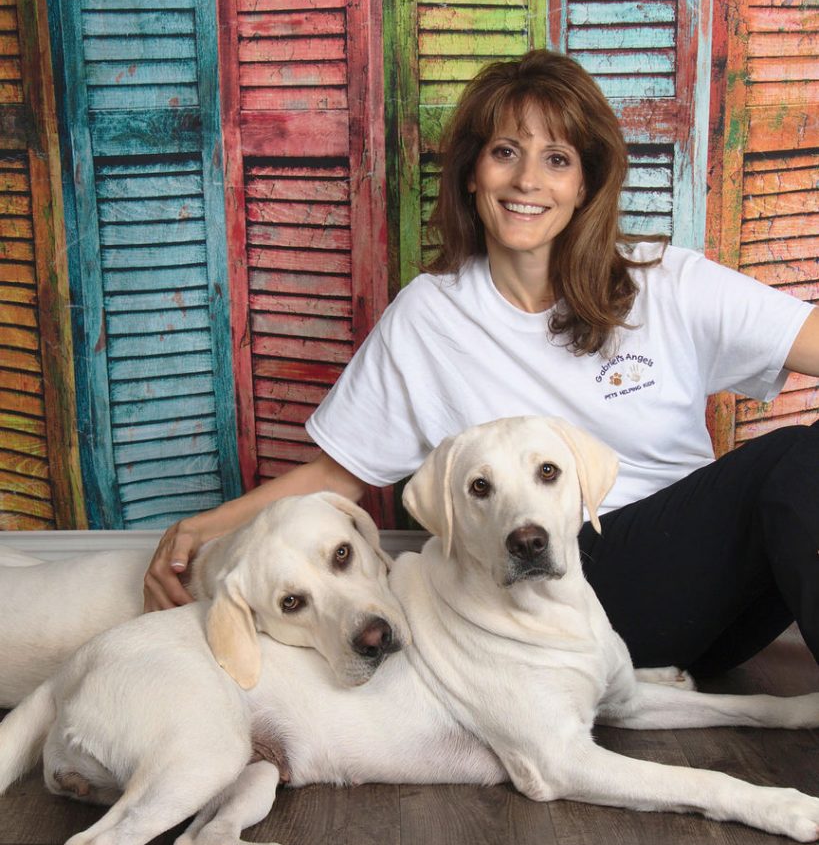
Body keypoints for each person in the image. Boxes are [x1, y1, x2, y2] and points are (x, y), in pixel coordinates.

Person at [144, 49, 819, 677]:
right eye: (505, 153)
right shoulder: (431, 316)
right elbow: (332, 476)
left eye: (556, 159)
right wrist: (198, 530)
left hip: (706, 604)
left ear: (585, 183)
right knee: (793, 459)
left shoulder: (666, 281)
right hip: (559, 590)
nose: (528, 180)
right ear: (473, 173)